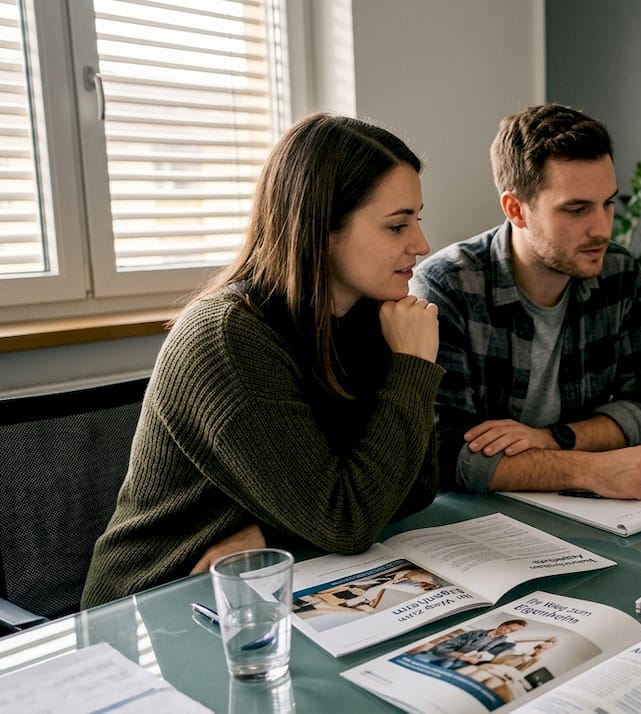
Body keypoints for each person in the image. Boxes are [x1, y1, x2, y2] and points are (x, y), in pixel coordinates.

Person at [82, 113, 445, 608]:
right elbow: (347, 522)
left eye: (417, 219)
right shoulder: (227, 338)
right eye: (397, 225)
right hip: (158, 599)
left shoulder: (369, 318)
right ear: (320, 228)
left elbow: (416, 486)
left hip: (271, 580)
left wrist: (268, 534)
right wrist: (412, 368)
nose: (421, 244)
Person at [410, 103, 641, 499]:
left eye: (608, 203)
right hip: (479, 520)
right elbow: (443, 454)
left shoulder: (617, 271)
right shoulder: (446, 287)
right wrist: (590, 469)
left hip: (585, 514)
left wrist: (553, 439)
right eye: (577, 209)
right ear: (516, 210)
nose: (602, 229)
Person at [408, 620, 530, 670]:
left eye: (512, 631)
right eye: (508, 628)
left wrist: (478, 659)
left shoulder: (502, 642)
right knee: (417, 660)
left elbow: (488, 657)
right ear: (502, 624)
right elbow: (440, 647)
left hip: (461, 664)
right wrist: (461, 656)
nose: (507, 632)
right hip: (442, 655)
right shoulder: (475, 633)